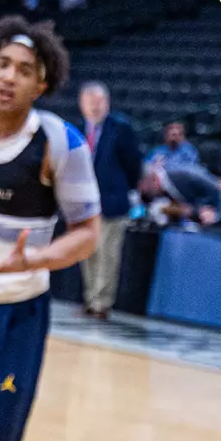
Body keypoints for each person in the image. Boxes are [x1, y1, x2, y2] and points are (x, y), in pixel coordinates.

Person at [0, 16, 101, 441]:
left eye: (24, 70)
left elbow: (87, 232)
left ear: (42, 84)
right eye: (2, 62)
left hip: (13, 318)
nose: (9, 77)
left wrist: (33, 260)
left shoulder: (59, 143)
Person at [78, 82, 143, 320]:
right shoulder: (78, 128)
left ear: (107, 102)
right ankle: (89, 298)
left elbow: (133, 163)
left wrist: (126, 189)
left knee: (108, 255)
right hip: (85, 205)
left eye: (100, 101)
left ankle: (102, 304)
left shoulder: (121, 128)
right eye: (91, 101)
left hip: (112, 202)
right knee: (88, 254)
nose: (95, 106)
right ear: (82, 104)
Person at [137, 162, 221, 226]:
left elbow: (214, 188)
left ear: (154, 179)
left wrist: (205, 207)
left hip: (218, 208)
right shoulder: (155, 193)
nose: (144, 191)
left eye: (146, 188)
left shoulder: (183, 176)